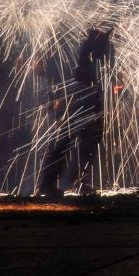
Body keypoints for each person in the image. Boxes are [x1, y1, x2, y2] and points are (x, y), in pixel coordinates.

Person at [38, 27, 112, 197]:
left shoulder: (85, 52)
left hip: (80, 98)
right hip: (79, 99)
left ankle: (65, 183)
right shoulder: (86, 55)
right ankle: (54, 184)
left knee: (80, 141)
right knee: (75, 140)